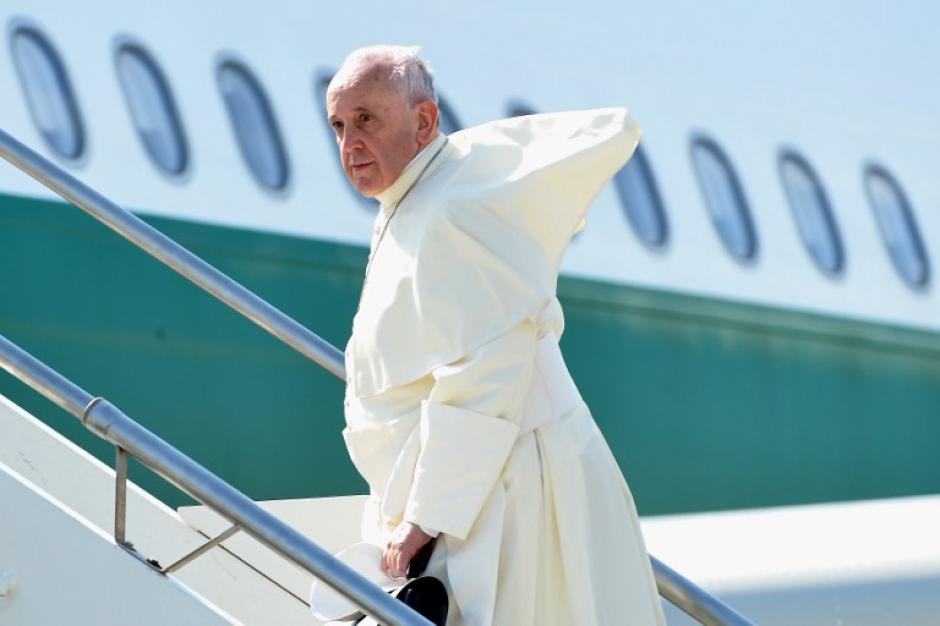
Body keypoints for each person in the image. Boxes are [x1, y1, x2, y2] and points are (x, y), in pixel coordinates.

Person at [325, 44, 666, 626]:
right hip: (480, 487)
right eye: (338, 126)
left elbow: (488, 369)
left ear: (424, 121)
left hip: (513, 492)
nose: (350, 145)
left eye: (366, 121)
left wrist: (422, 521)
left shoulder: (450, 210)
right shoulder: (424, 197)